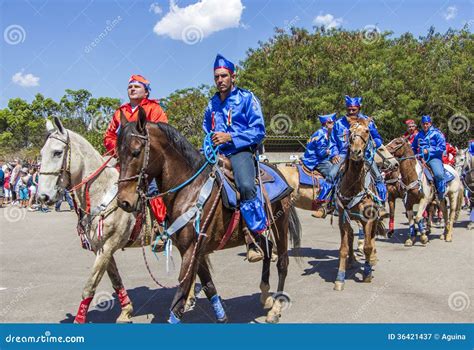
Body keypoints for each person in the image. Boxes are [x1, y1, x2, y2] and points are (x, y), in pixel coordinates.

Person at [203, 54, 267, 262]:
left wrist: (231, 137)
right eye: (216, 77)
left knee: (246, 185)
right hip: (215, 152)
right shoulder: (211, 104)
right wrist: (209, 142)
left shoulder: (247, 98)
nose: (220, 80)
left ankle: (255, 237)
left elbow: (258, 130)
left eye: (224, 76)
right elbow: (206, 129)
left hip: (240, 151)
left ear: (233, 77)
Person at [104, 74, 169, 246]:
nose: (132, 89)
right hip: (123, 158)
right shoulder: (121, 111)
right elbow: (109, 135)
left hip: (148, 159)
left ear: (146, 92)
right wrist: (118, 150)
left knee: (154, 188)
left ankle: (160, 226)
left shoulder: (155, 109)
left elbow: (163, 134)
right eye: (129, 87)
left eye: (136, 86)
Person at [313, 95, 388, 218]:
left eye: (354, 109)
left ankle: (381, 206)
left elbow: (377, 138)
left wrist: (376, 143)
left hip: (365, 155)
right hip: (343, 155)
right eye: (349, 109)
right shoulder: (338, 124)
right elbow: (332, 142)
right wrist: (334, 154)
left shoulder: (367, 122)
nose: (351, 112)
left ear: (359, 108)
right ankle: (324, 205)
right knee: (331, 175)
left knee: (378, 177)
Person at [412, 115, 446, 201]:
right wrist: (415, 155)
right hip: (420, 159)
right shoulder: (418, 135)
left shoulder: (437, 133)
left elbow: (442, 147)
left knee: (439, 174)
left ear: (430, 123)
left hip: (433, 158)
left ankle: (441, 194)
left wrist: (429, 151)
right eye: (423, 124)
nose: (425, 126)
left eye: (427, 124)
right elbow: (413, 147)